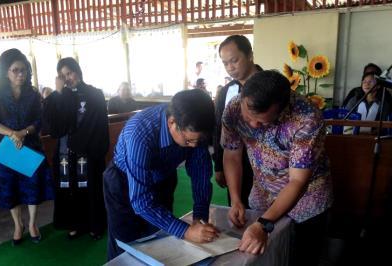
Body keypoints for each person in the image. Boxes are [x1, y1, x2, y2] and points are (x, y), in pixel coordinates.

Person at [221, 70, 333, 266]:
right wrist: (236, 200)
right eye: (249, 118)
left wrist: (264, 224)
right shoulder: (233, 107)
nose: (254, 125)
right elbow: (231, 154)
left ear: (282, 109)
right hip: (262, 196)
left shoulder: (307, 119)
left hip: (306, 203)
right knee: (262, 257)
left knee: (300, 258)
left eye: (263, 121)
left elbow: (298, 181)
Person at [103, 89, 219, 261]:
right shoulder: (139, 133)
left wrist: (199, 218)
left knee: (160, 238)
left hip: (163, 176)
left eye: (199, 141)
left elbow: (200, 174)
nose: (194, 146)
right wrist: (186, 231)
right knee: (125, 245)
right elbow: (141, 202)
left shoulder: (193, 126)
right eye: (188, 141)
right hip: (124, 181)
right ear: (172, 122)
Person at [0, 48, 54, 246]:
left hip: (30, 144)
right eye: (15, 70)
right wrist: (12, 134)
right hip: (7, 148)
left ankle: (32, 224)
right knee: (10, 190)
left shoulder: (32, 94)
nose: (20, 74)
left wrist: (23, 133)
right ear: (5, 72)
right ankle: (18, 225)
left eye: (23, 70)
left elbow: (39, 120)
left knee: (33, 187)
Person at [43, 57, 109, 240]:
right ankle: (74, 224)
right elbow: (53, 127)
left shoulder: (95, 94)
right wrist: (57, 93)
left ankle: (94, 225)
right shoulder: (62, 96)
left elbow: (100, 124)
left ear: (78, 71)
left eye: (69, 73)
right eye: (63, 76)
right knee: (69, 189)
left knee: (91, 189)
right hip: (66, 152)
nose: (68, 78)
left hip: (89, 150)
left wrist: (91, 147)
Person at [213, 35, 261, 208]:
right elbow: (218, 128)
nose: (230, 68)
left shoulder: (270, 85)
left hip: (269, 164)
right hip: (234, 161)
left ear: (249, 55)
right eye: (225, 63)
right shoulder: (226, 92)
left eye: (234, 60)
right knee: (238, 207)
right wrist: (218, 166)